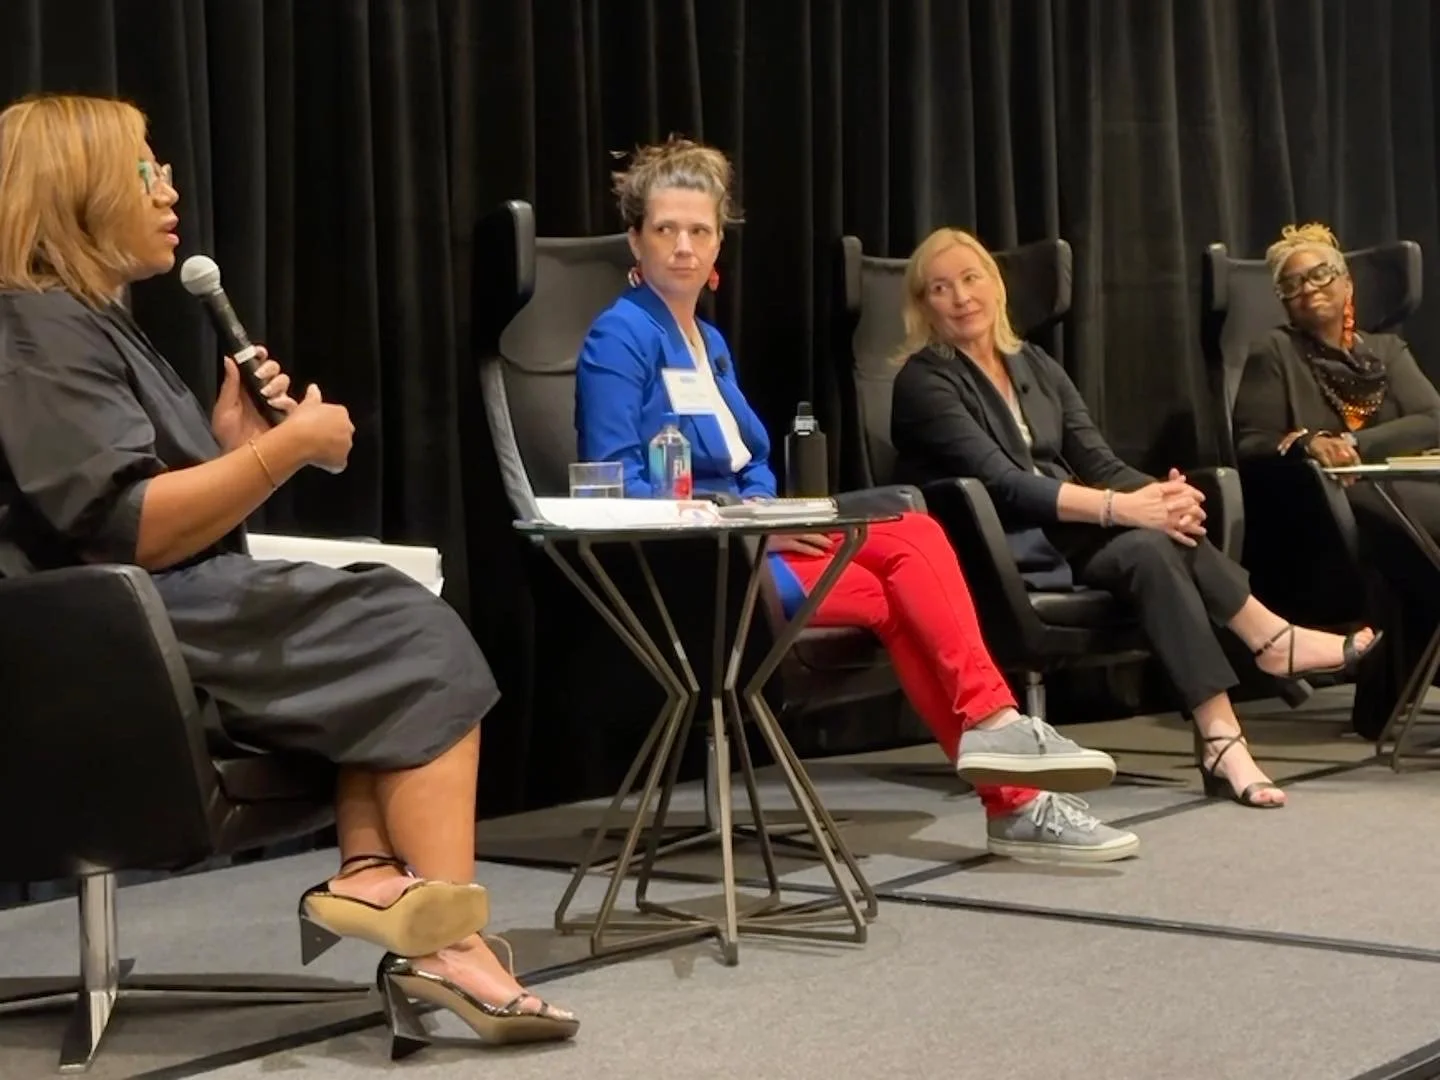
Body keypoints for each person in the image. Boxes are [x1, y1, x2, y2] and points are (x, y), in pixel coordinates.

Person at [0, 94, 576, 1054]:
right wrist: (286, 452)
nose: (171, 186)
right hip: (98, 637)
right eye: (148, 166)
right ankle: (449, 941)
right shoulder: (34, 328)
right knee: (402, 624)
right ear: (81, 185)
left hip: (150, 613)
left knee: (384, 613)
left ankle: (373, 875)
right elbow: (120, 527)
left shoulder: (88, 323)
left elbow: (143, 504)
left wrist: (228, 447)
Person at [573, 137, 1139, 865]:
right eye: (666, 230)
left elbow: (750, 464)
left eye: (700, 231)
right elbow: (615, 486)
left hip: (748, 541)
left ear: (718, 245)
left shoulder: (707, 340)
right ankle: (1006, 755)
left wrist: (765, 513)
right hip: (691, 567)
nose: (684, 246)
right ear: (637, 240)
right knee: (907, 549)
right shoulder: (619, 336)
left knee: (900, 565)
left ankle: (1012, 791)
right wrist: (748, 526)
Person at [888, 227, 1381, 809]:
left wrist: (1159, 498)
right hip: (1000, 546)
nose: (961, 296)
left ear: (995, 288)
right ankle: (1268, 638)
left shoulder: (1034, 364)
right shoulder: (923, 378)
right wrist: (1122, 507)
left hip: (1069, 536)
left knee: (1154, 544)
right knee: (1147, 535)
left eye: (971, 279)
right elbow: (1003, 483)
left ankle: (1224, 740)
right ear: (924, 306)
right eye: (940, 288)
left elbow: (1095, 457)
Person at [1231, 222, 1440, 738]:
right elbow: (1251, 441)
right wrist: (1306, 443)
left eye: (1321, 274)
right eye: (1292, 284)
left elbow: (1433, 416)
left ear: (1348, 283)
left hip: (1402, 493)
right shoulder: (1274, 351)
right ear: (1284, 302)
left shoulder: (1387, 351)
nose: (1308, 289)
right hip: (1324, 514)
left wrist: (1355, 445)